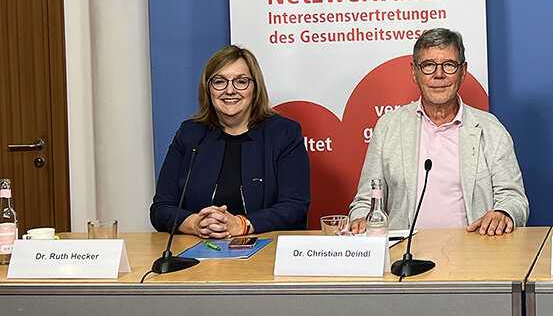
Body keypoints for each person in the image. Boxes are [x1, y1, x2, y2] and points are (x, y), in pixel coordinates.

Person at [348, 28, 529, 236]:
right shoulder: (389, 127)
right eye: (428, 66)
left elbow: (514, 199)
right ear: (414, 72)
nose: (439, 74)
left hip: (475, 252)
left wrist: (503, 212)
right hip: (406, 256)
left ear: (463, 72)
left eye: (449, 65)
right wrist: (361, 219)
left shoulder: (490, 129)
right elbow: (365, 201)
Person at [150, 45, 310, 237]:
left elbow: (295, 207)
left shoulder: (283, 133)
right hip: (199, 252)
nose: (230, 90)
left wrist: (241, 224)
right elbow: (161, 208)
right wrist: (195, 224)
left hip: (266, 253)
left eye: (241, 82)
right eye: (219, 82)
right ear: (208, 89)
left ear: (255, 88)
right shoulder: (190, 134)